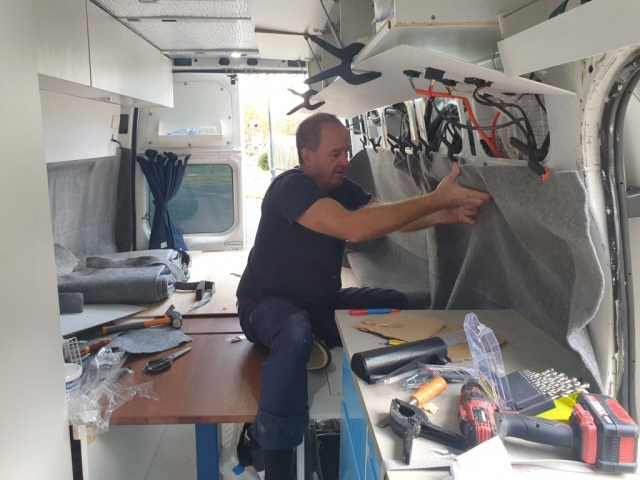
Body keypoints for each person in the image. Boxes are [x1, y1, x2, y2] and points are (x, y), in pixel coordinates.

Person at [236, 112, 491, 479]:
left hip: (319, 303)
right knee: (293, 332)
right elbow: (353, 228)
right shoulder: (289, 188)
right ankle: (276, 456)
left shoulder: (341, 187)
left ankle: (328, 347)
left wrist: (442, 214)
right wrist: (435, 199)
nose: (345, 160)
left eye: (346, 151)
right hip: (264, 303)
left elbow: (381, 216)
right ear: (307, 156)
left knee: (393, 303)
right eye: (335, 153)